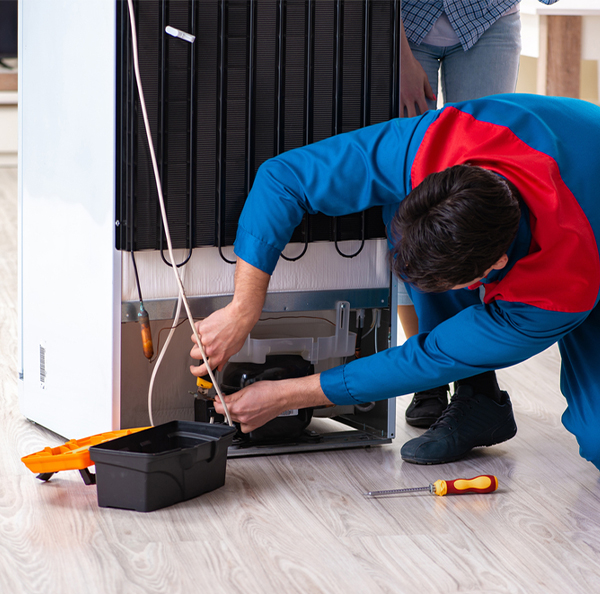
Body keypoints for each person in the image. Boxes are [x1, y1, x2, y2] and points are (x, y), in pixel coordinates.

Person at [190, 93, 600, 471]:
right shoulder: (439, 143)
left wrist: (284, 396)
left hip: (589, 244)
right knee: (403, 212)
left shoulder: (556, 290)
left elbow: (429, 357)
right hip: (562, 142)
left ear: (497, 263)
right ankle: (481, 400)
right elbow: (284, 179)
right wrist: (244, 307)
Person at [398, 0, 559, 428]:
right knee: (411, 192)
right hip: (403, 25)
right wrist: (391, 51)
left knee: (482, 190)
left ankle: (472, 373)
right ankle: (426, 370)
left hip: (487, 20)